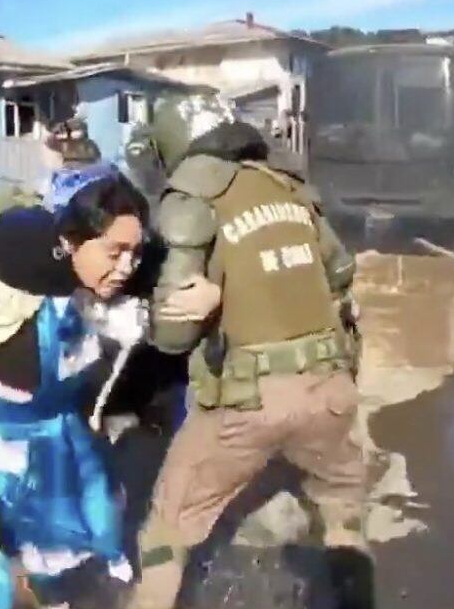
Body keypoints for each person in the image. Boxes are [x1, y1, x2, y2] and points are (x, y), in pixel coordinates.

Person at [0, 172, 179, 609]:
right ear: (73, 239)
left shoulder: (105, 286)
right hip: (10, 451)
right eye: (115, 253)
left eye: (133, 254)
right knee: (12, 557)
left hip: (72, 440)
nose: (125, 267)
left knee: (87, 539)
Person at [128, 100, 371, 608]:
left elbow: (174, 334)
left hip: (247, 400)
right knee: (342, 509)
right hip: (329, 387)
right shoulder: (286, 186)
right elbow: (341, 272)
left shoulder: (193, 195)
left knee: (166, 533)